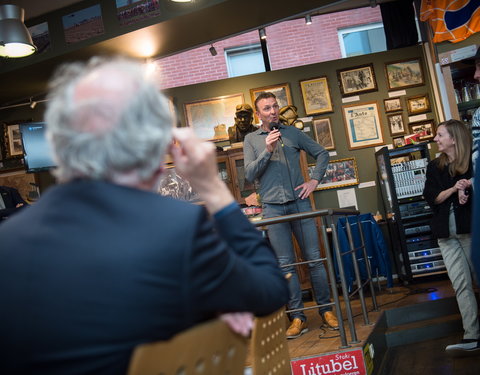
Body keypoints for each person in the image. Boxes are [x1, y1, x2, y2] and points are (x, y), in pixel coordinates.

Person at [0, 57, 289, 375]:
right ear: (159, 146)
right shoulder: (179, 229)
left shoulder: (8, 243)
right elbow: (271, 291)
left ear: (57, 144)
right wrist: (214, 190)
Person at [243, 92, 338, 339]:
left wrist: (314, 180)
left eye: (275, 106)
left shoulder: (293, 133)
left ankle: (327, 311)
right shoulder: (251, 140)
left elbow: (322, 153)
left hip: (300, 204)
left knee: (315, 260)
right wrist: (267, 149)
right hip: (273, 209)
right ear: (258, 114)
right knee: (286, 266)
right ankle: (297, 317)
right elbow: (250, 175)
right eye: (266, 108)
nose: (273, 111)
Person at [423, 119, 479, 357]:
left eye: (439, 135)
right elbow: (432, 197)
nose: (436, 139)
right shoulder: (435, 166)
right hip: (446, 235)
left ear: (453, 139)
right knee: (461, 285)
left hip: (472, 231)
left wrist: (469, 187)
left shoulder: (473, 164)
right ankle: (472, 335)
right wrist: (455, 189)